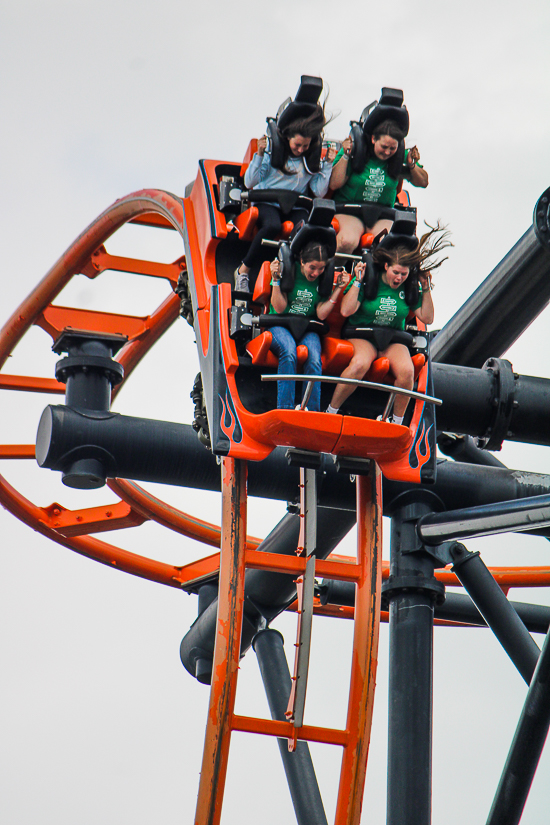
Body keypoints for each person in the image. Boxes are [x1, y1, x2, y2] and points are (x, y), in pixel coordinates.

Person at [326, 225, 451, 422]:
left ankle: (396, 420)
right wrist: (357, 282)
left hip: (393, 338)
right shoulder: (369, 280)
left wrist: (425, 288)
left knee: (407, 372)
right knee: (360, 364)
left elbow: (427, 318)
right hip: (363, 334)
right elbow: (345, 311)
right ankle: (331, 411)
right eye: (396, 272)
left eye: (404, 274)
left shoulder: (408, 287)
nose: (400, 278)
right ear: (386, 267)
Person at [235, 107, 337, 293]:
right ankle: (243, 271)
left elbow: (318, 191)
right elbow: (250, 181)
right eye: (297, 145)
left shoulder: (309, 160)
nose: (300, 150)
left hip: (295, 205)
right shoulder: (273, 154)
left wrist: (327, 165)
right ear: (287, 139)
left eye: (305, 146)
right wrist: (259, 154)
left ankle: (297, 278)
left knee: (307, 230)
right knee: (272, 226)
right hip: (268, 202)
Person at [267, 241, 348, 412]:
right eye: (312, 268)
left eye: (321, 269)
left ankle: (310, 410)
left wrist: (338, 288)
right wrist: (275, 279)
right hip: (280, 324)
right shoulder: (288, 270)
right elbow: (280, 309)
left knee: (314, 359)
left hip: (307, 327)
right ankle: (285, 409)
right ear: (302, 262)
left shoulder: (322, 279)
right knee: (288, 352)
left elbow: (321, 314)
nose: (316, 273)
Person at [330, 118, 429, 254]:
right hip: (349, 210)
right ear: (373, 139)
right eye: (384, 147)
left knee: (389, 246)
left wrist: (411, 164)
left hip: (382, 213)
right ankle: (331, 271)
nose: (387, 152)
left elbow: (423, 182)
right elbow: (334, 184)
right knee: (347, 241)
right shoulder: (355, 148)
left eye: (392, 148)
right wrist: (346, 155)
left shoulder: (400, 156)